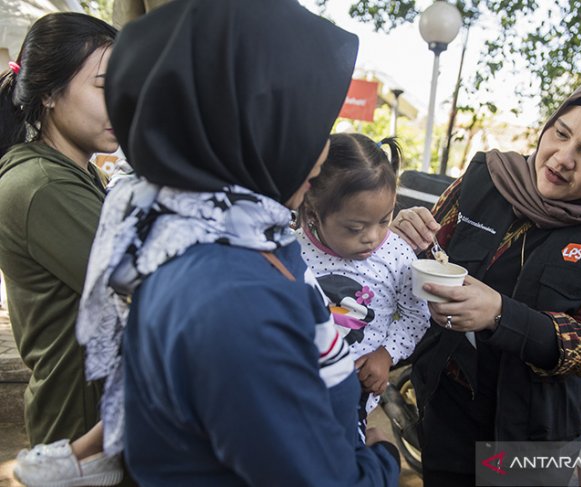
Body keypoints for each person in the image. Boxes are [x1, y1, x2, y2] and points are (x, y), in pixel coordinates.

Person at [73, 0, 401, 484]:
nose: (322, 154)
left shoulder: (214, 230)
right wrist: (383, 457)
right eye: (310, 125)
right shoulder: (235, 298)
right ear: (250, 125)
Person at [390, 72, 581, 486]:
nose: (561, 158)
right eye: (560, 133)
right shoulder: (486, 179)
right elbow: (430, 253)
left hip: (535, 437)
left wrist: (500, 314)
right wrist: (404, 233)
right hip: (449, 403)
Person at [0, 12, 123, 485]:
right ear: (49, 93)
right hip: (78, 437)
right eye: (103, 86)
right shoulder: (43, 185)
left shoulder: (81, 171)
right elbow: (141, 284)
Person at [297, 133, 430, 436]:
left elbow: (416, 313)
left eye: (384, 220)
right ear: (313, 212)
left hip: (355, 396)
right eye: (355, 228)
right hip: (298, 385)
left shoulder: (396, 255)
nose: (373, 237)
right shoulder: (294, 251)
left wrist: (386, 355)